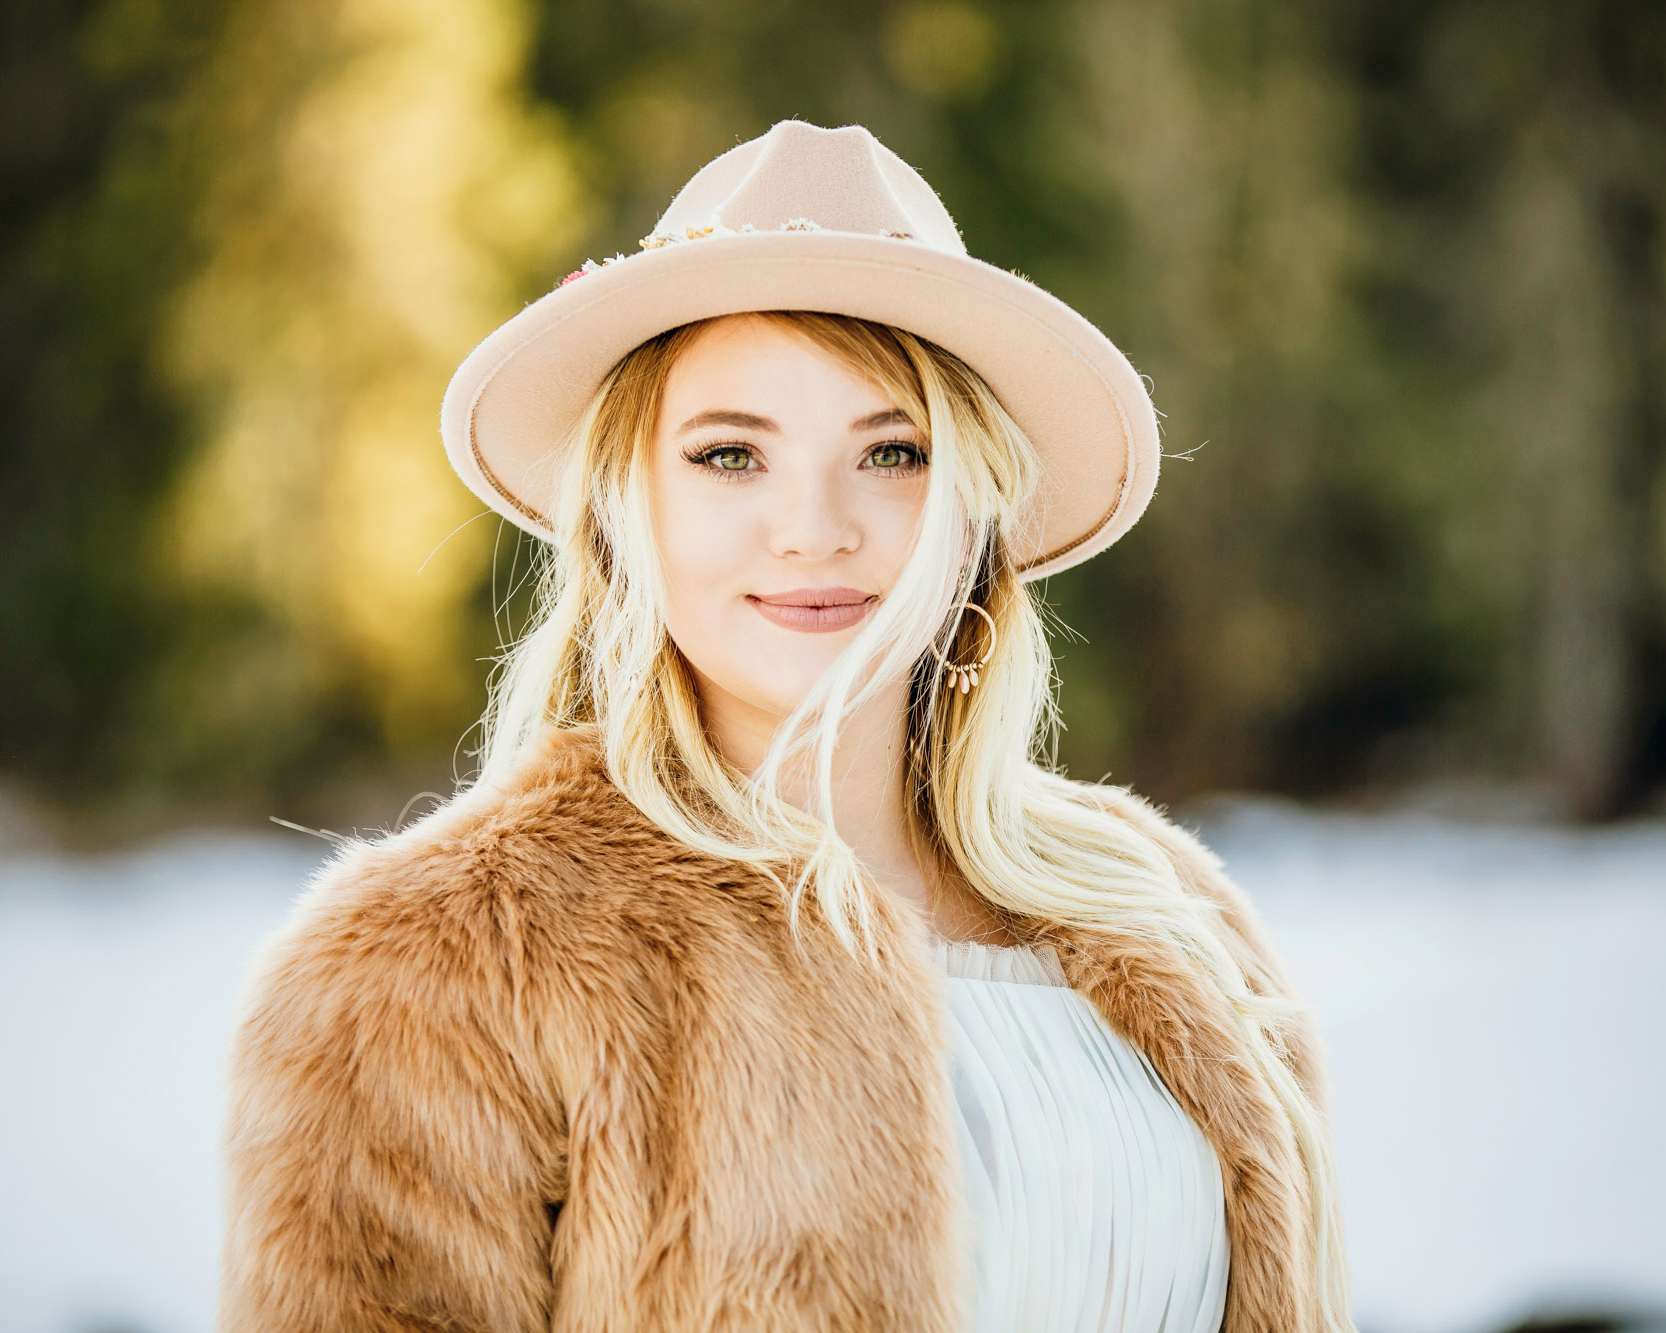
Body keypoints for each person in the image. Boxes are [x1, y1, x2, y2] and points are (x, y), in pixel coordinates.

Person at [217, 120, 1352, 1333]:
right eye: (728, 455)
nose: (814, 528)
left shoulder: (1165, 911)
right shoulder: (433, 961)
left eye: (892, 452)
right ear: (622, 506)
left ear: (972, 508)